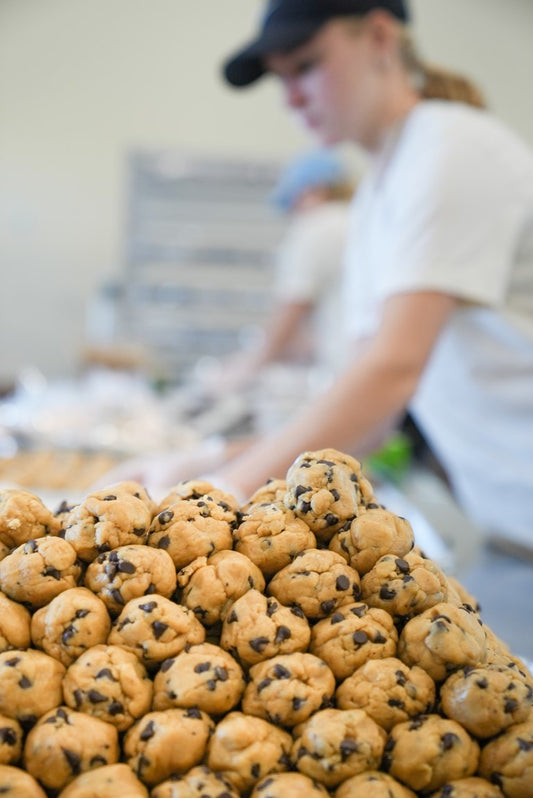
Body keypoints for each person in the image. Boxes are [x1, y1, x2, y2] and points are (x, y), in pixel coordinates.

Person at [102, 0, 533, 557]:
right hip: (511, 522)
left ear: (380, 37)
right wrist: (212, 458)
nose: (291, 98)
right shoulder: (376, 197)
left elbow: (392, 371)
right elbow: (362, 412)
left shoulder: (449, 146)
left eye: (305, 66)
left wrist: (220, 494)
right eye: (280, 81)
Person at [206, 148, 356, 395]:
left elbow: (289, 314)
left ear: (313, 189)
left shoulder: (318, 227)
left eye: (292, 202)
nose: (293, 212)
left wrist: (243, 370)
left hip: (347, 375)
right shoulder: (356, 220)